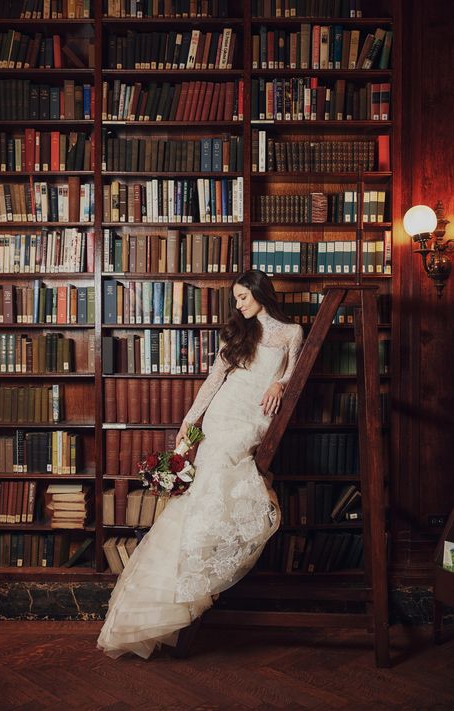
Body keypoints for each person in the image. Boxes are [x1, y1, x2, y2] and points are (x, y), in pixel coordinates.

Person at [97, 269, 304, 659]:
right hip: (224, 411)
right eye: (236, 299)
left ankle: (199, 561)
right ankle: (192, 567)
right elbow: (213, 381)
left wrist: (280, 383)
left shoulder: (291, 332)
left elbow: (293, 374)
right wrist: (189, 423)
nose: (238, 305)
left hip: (256, 414)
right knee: (212, 476)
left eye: (244, 297)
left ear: (261, 293)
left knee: (226, 470)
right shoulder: (236, 333)